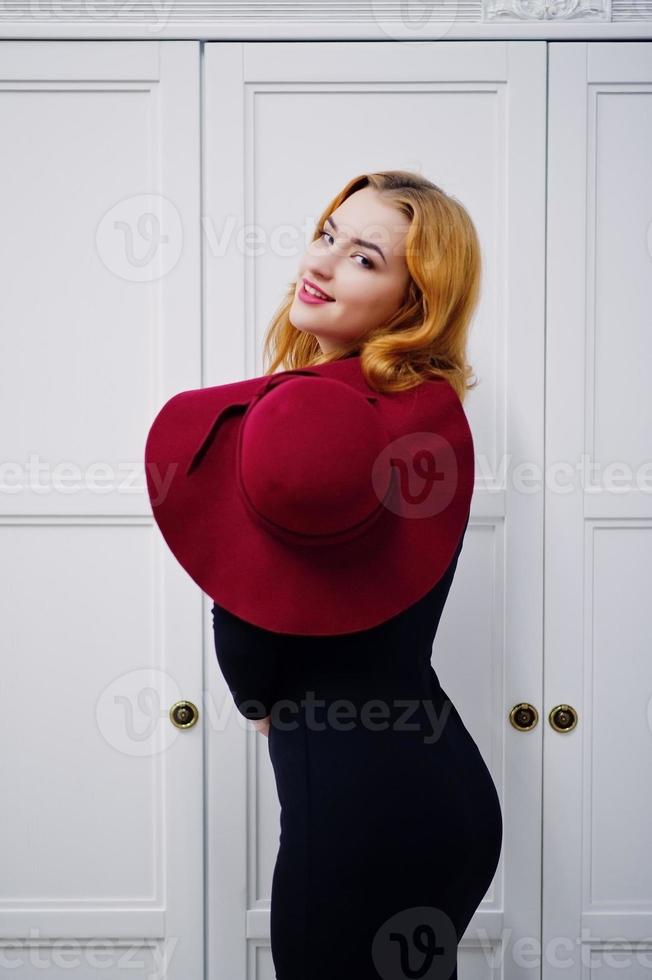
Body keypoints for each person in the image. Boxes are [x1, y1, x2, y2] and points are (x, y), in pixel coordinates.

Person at [209, 171, 503, 980]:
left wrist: (259, 698)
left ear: (416, 303)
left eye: (365, 258)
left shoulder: (307, 420)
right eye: (329, 234)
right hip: (447, 792)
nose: (325, 261)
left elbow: (246, 597)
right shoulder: (429, 410)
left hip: (356, 811)